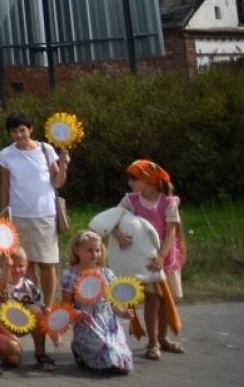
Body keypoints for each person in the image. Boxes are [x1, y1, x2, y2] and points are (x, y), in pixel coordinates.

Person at [0, 113, 68, 305]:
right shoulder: (5, 155)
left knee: (47, 264)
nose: (19, 135)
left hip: (45, 214)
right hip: (18, 215)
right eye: (14, 131)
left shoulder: (46, 149)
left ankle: (48, 306)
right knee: (26, 265)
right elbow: (4, 186)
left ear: (30, 129)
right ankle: (32, 303)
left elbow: (57, 182)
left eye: (22, 130)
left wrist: (63, 165)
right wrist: (3, 216)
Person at [120, 159, 185, 358]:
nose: (130, 183)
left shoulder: (168, 202)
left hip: (164, 258)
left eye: (134, 179)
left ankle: (163, 338)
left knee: (166, 300)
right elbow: (113, 217)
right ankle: (153, 342)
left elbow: (171, 232)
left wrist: (162, 255)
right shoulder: (130, 200)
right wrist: (118, 235)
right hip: (146, 260)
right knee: (152, 301)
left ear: (147, 180)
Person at [63, 230, 133, 374]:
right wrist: (78, 314)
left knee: (120, 355)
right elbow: (66, 306)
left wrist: (122, 312)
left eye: (97, 250)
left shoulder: (107, 273)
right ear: (77, 250)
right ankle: (80, 350)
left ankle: (108, 359)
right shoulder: (71, 274)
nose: (94, 254)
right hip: (87, 321)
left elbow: (113, 303)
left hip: (108, 321)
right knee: (106, 349)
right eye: (89, 250)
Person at [0, 245, 54, 372]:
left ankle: (40, 354)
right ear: (2, 265)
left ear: (27, 266)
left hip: (23, 323)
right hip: (3, 327)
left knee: (36, 311)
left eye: (21, 266)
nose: (17, 270)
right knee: (12, 362)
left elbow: (39, 306)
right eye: (12, 266)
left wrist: (47, 311)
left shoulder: (29, 285)